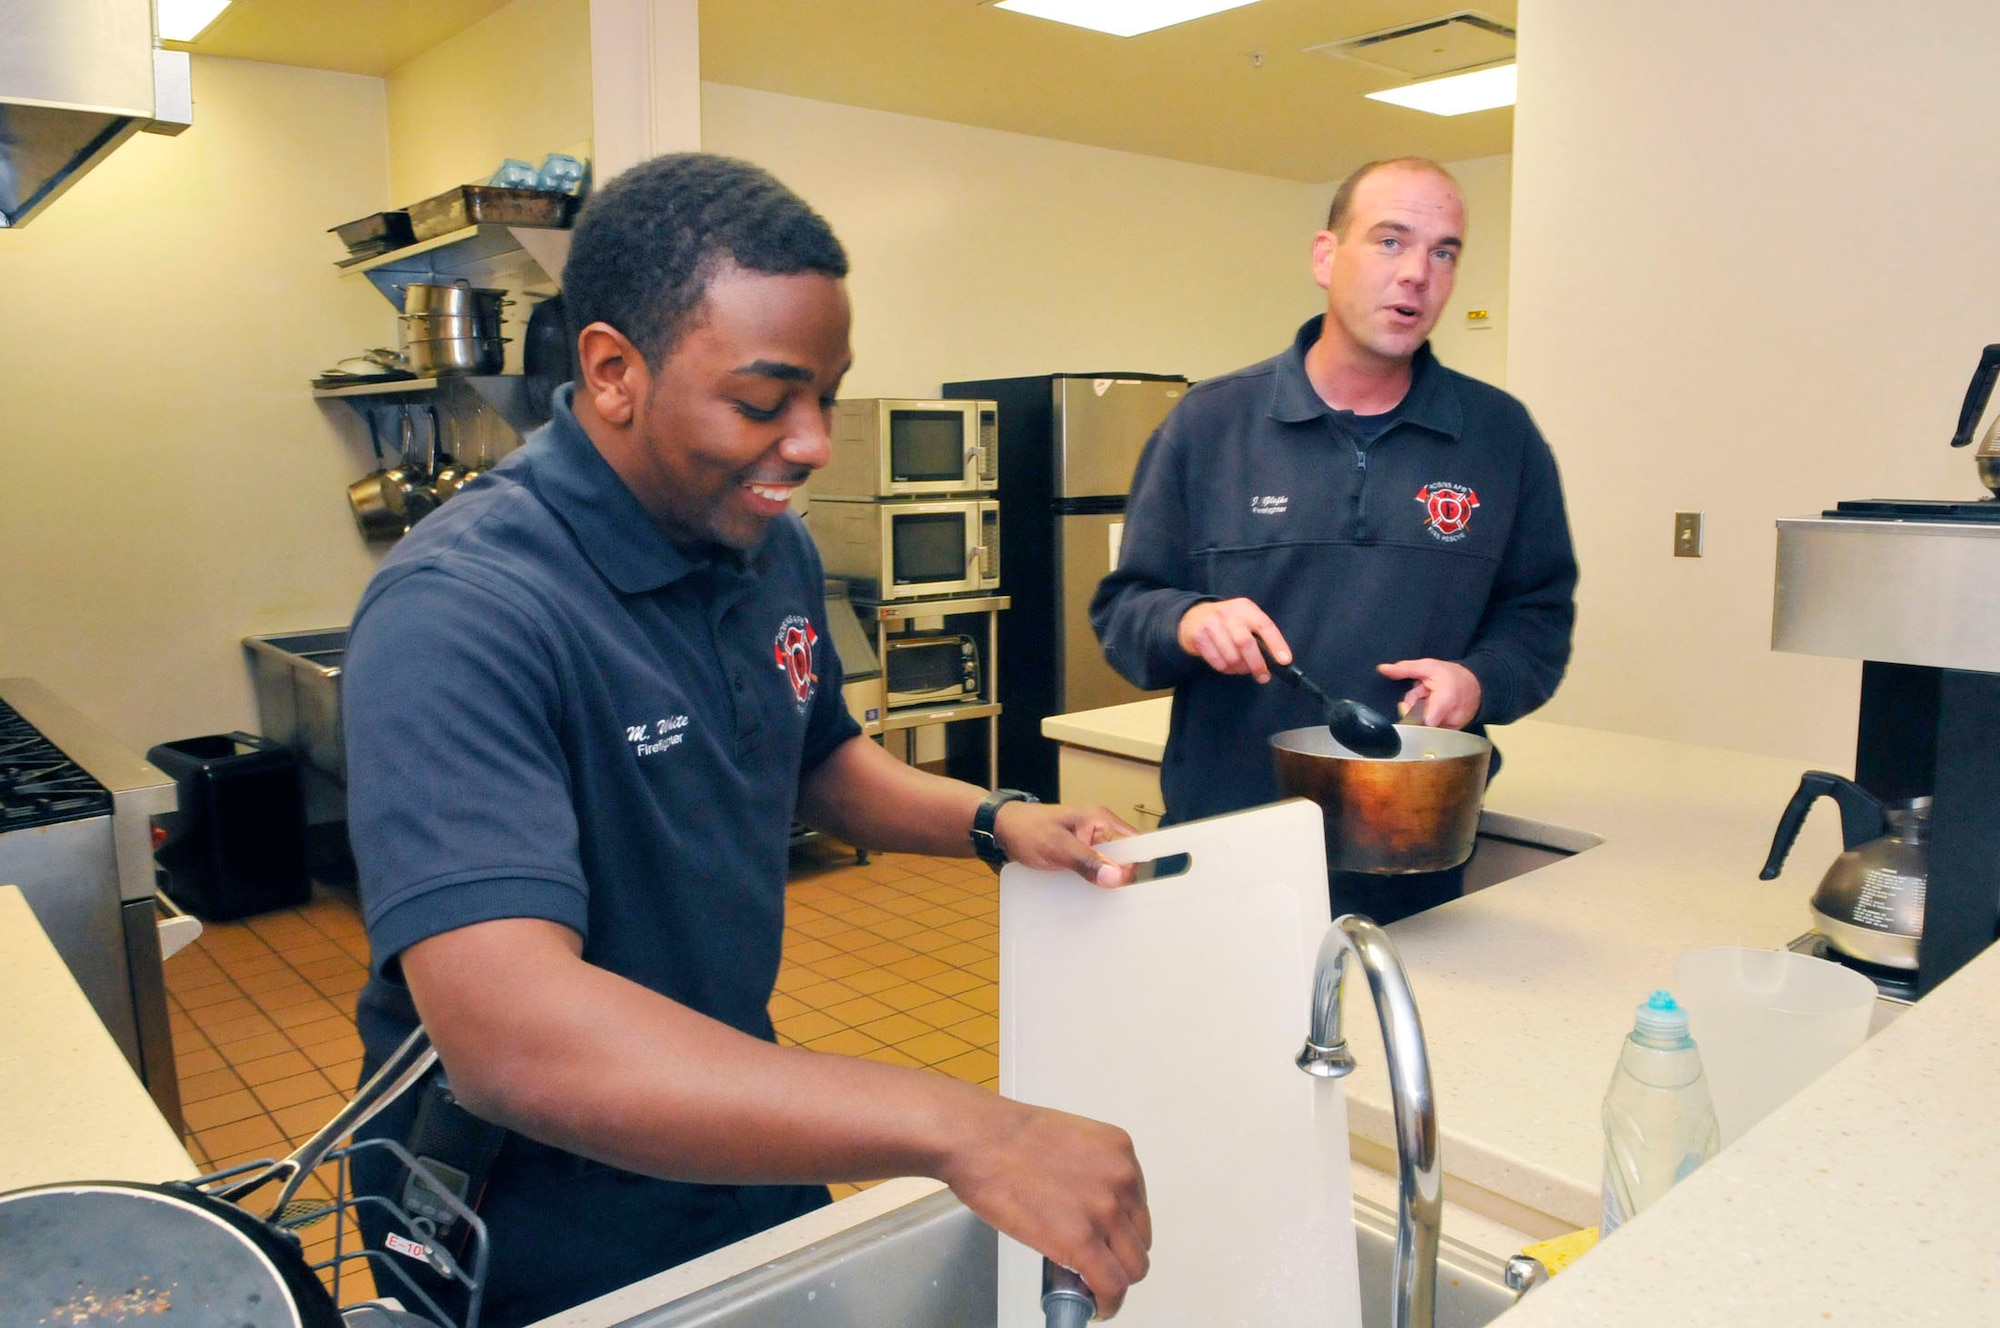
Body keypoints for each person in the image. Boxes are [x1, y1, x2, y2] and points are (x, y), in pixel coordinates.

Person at [341, 153, 1150, 1328]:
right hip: (531, 1198)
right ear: (614, 371)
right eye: (765, 401)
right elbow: (509, 1037)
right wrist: (971, 1126)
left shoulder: (762, 543)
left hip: (738, 1106)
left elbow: (814, 754)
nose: (813, 440)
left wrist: (991, 819)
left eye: (826, 392)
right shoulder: (461, 611)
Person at [1090, 157, 1577, 923]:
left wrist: (1478, 681)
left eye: (1444, 251)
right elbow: (1125, 614)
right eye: (1391, 241)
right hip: (1226, 849)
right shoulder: (1209, 425)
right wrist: (1186, 621)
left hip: (1411, 860)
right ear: (1326, 256)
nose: (1417, 273)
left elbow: (1539, 621)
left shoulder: (1500, 439)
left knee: (1393, 1046)